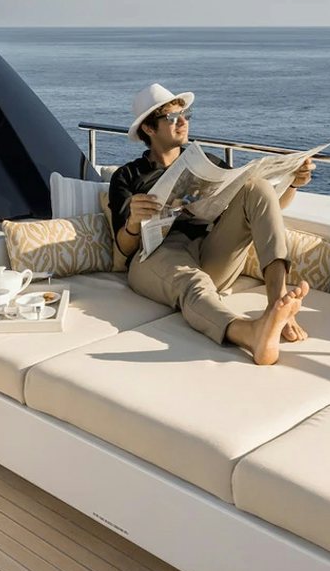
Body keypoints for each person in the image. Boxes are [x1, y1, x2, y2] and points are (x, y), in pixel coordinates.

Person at [110, 82, 314, 365]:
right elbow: (122, 248)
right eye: (172, 118)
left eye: (185, 116)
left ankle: (276, 306)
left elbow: (264, 210)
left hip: (210, 250)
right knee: (193, 281)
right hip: (156, 257)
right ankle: (250, 333)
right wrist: (134, 220)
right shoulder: (127, 176)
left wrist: (293, 183)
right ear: (148, 128)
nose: (183, 122)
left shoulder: (208, 162)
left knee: (256, 186)